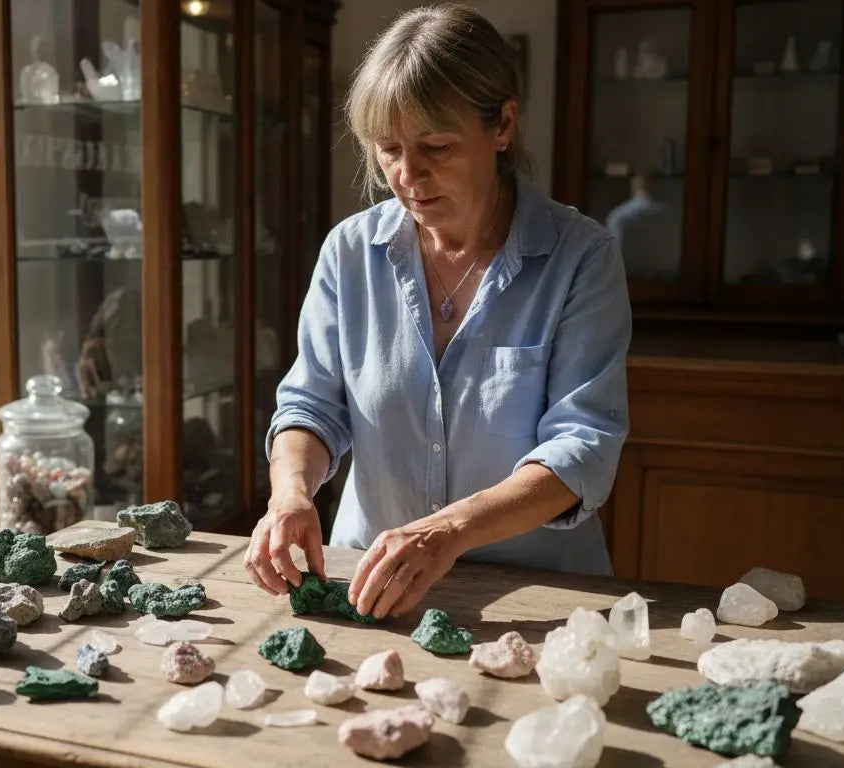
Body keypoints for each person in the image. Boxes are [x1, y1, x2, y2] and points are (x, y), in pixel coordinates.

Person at [243, 4, 631, 620]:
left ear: (502, 125)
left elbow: (580, 450)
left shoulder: (580, 258)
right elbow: (312, 407)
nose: (407, 175)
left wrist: (445, 532)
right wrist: (289, 494)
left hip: (538, 605)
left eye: (436, 146)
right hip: (369, 589)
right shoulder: (350, 252)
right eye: (388, 149)